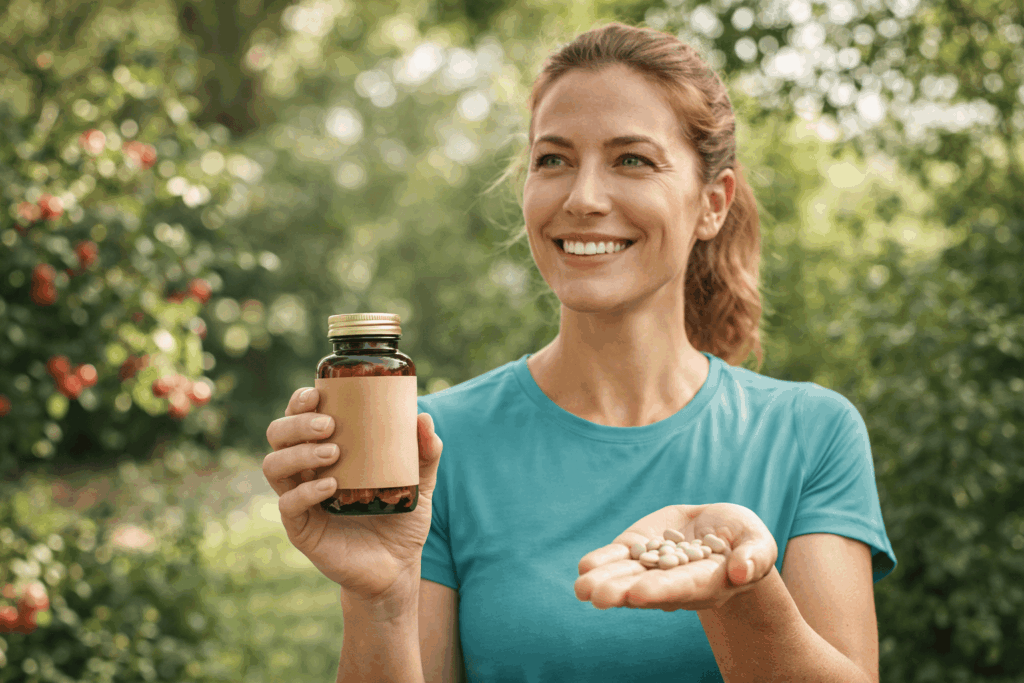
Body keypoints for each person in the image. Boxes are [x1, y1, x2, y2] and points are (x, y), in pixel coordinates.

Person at [262, 22, 897, 683]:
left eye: (632, 160)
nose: (583, 198)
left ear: (713, 203)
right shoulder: (428, 445)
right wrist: (379, 601)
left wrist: (740, 591)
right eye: (553, 160)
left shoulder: (812, 433)